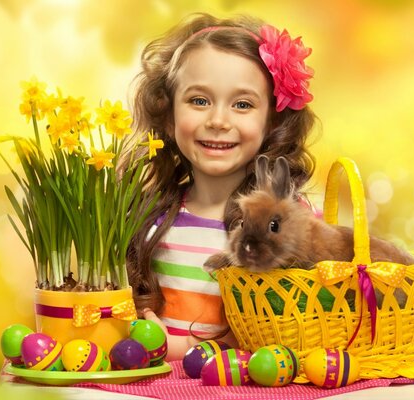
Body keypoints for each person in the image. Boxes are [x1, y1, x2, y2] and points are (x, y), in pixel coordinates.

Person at [118, 12, 318, 360]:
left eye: (242, 104)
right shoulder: (151, 220)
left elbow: (300, 326)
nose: (218, 121)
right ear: (167, 115)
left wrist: (184, 349)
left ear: (272, 121)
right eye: (199, 101)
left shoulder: (287, 223)